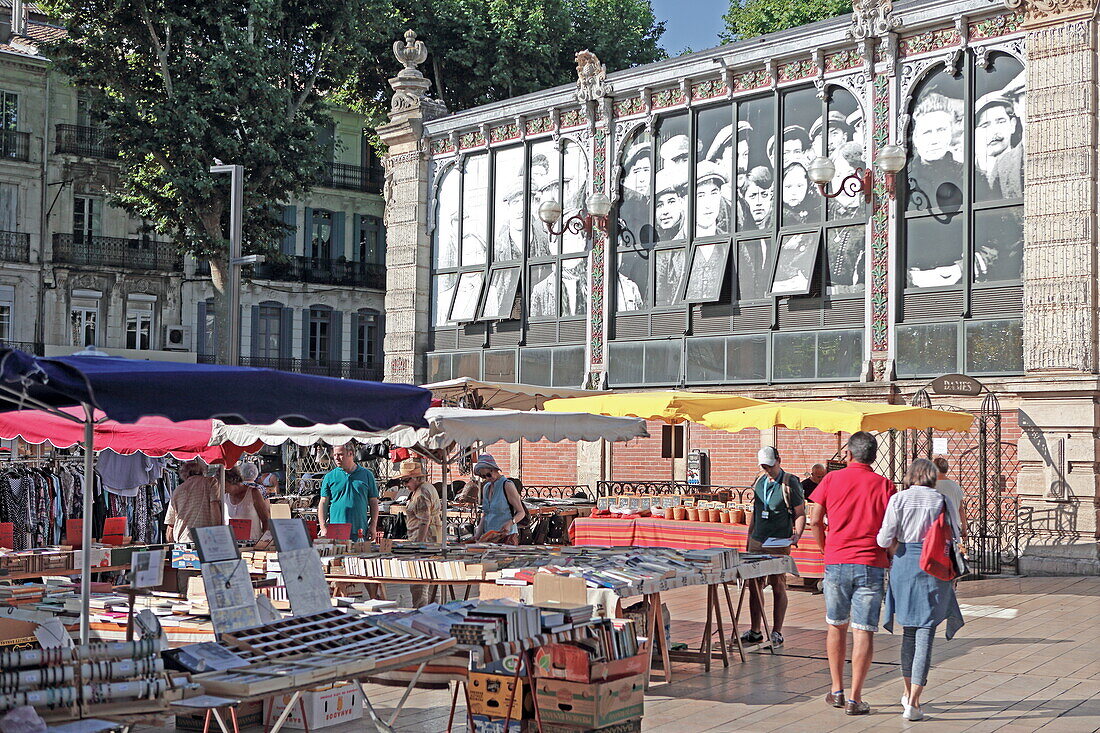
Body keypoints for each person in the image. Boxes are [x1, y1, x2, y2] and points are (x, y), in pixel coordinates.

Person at [809, 431, 896, 716]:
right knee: (864, 629)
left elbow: (815, 519)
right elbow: (892, 529)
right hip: (871, 562)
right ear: (873, 456)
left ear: (848, 454)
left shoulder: (831, 479)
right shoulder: (885, 485)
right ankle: (856, 698)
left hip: (837, 560)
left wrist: (825, 548)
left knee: (835, 624)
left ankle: (836, 689)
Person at [877, 458, 965, 721]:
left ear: (911, 475)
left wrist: (895, 547)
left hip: (905, 564)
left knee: (908, 632)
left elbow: (883, 538)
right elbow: (956, 535)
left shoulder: (899, 499)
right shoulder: (941, 499)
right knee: (926, 632)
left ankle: (907, 693)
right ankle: (914, 701)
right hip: (934, 566)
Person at [742, 447, 806, 647]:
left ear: (778, 460)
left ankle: (777, 631)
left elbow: (799, 512)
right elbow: (755, 511)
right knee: (754, 585)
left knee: (778, 584)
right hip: (758, 540)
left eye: (770, 465)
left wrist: (797, 535)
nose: (767, 469)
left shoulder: (790, 482)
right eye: (764, 466)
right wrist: (750, 537)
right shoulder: (759, 482)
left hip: (778, 542)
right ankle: (755, 630)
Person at [398, 460, 444, 606]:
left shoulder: (421, 493)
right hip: (433, 540)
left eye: (406, 480)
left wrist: (419, 546)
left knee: (419, 581)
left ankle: (421, 613)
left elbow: (424, 521)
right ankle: (433, 612)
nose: (405, 485)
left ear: (416, 478)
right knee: (432, 580)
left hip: (425, 541)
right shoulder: (426, 488)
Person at [318, 445, 379, 540]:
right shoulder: (330, 477)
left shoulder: (367, 475)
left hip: (359, 530)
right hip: (337, 531)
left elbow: (373, 502)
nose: (336, 458)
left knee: (359, 555)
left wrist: (373, 525)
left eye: (340, 454)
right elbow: (323, 502)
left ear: (351, 454)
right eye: (334, 455)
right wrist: (323, 527)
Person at [164, 460, 222, 544]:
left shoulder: (177, 490)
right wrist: (218, 532)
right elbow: (214, 506)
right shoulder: (211, 482)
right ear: (202, 471)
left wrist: (170, 546)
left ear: (184, 474)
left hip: (182, 539)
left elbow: (170, 523)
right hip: (205, 538)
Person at [472, 454, 526, 544]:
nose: (487, 478)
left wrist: (510, 523)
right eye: (483, 476)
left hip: (506, 536)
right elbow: (485, 515)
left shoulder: (507, 485)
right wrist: (477, 535)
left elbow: (521, 512)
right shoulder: (486, 487)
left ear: (494, 469)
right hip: (489, 536)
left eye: (488, 474)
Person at [225, 466, 271, 542]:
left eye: (223, 483)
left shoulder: (253, 493)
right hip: (231, 543)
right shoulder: (225, 496)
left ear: (232, 480)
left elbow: (266, 519)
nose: (220, 486)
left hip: (252, 545)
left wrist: (263, 541)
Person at [933, 455, 968, 546]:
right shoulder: (955, 486)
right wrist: (964, 527)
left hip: (936, 525)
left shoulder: (932, 486)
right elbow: (961, 509)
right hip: (954, 525)